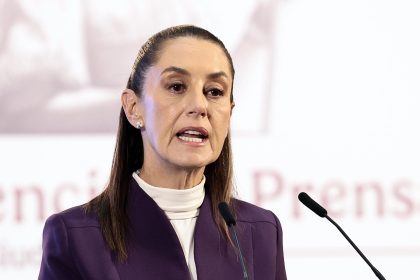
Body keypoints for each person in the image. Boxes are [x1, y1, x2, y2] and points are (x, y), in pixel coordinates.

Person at [38, 25, 287, 280]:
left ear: (229, 112)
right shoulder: (75, 237)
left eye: (214, 92)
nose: (199, 106)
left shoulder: (261, 232)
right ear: (134, 107)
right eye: (177, 87)